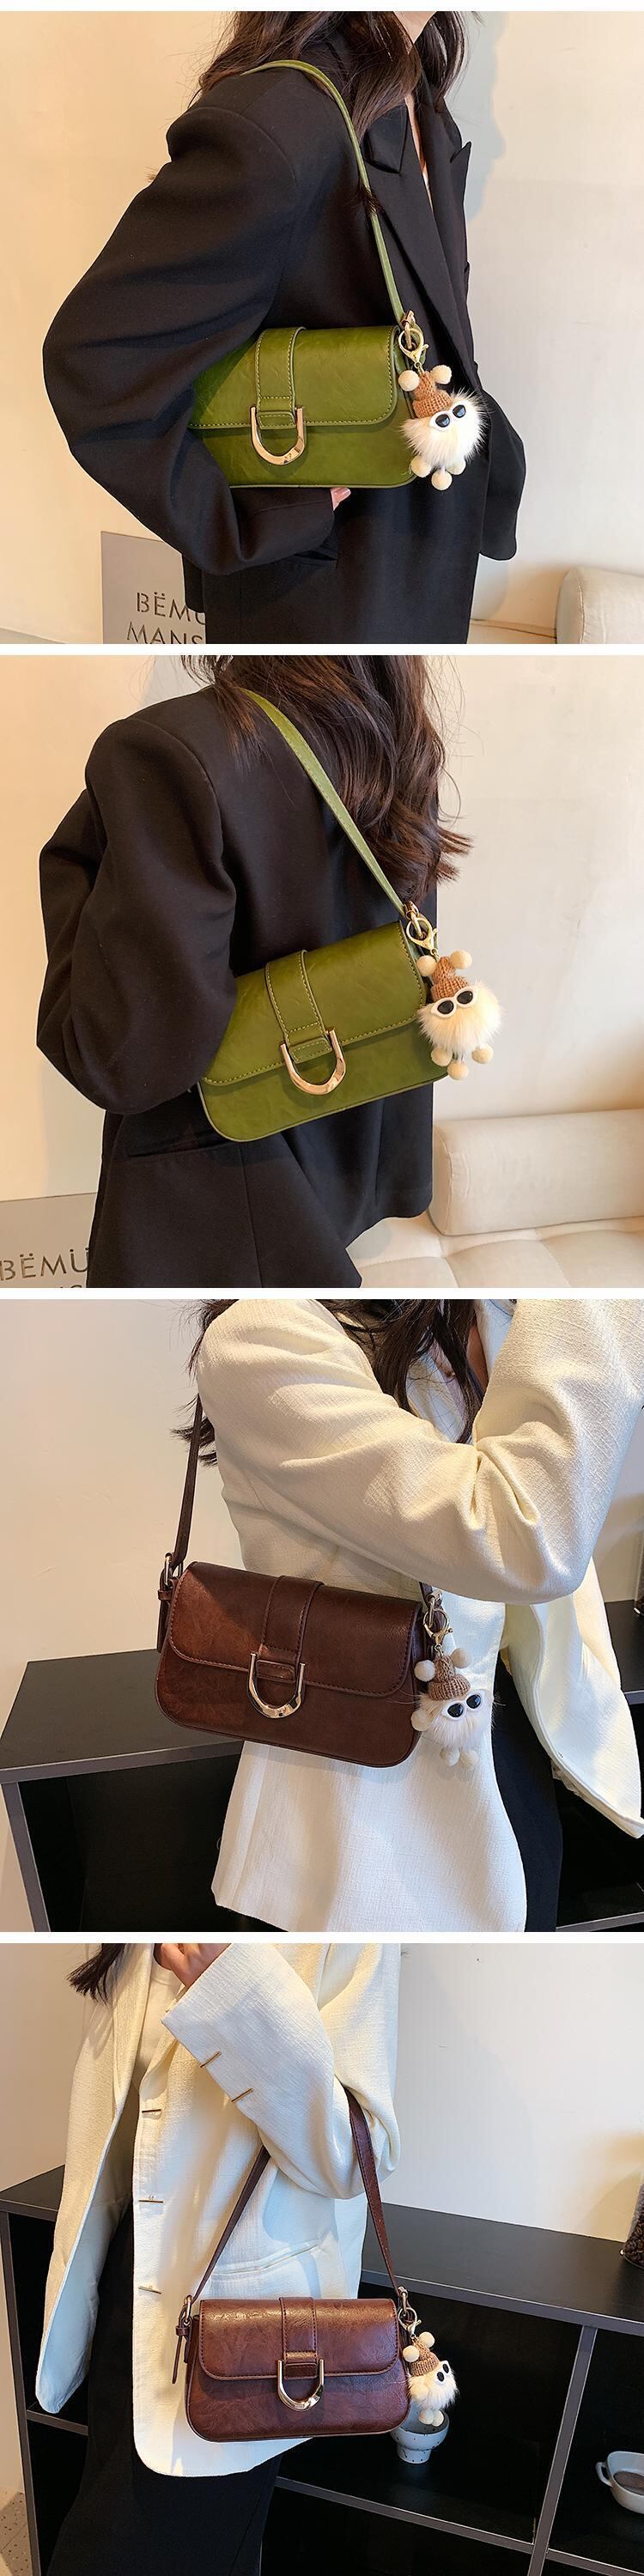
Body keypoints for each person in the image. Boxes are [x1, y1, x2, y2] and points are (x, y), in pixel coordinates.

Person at [42, 12, 525, 645]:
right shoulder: (280, 123)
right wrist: (252, 522)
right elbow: (98, 361)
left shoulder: (421, 101)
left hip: (418, 556)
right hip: (317, 598)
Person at [188, 1295, 644, 1933]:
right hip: (354, 1820)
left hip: (506, 1754)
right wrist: (595, 1290)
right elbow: (522, 1535)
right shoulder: (262, 1336)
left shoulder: (487, 1314)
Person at [36, 654, 465, 1286]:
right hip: (345, 1160)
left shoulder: (166, 751)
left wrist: (77, 871)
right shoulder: (395, 738)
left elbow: (120, 1059)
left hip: (220, 1194)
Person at [37, 1940, 400, 2576]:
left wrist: (238, 1994)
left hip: (240, 2330)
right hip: (128, 2283)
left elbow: (352, 2157)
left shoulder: (347, 1925)